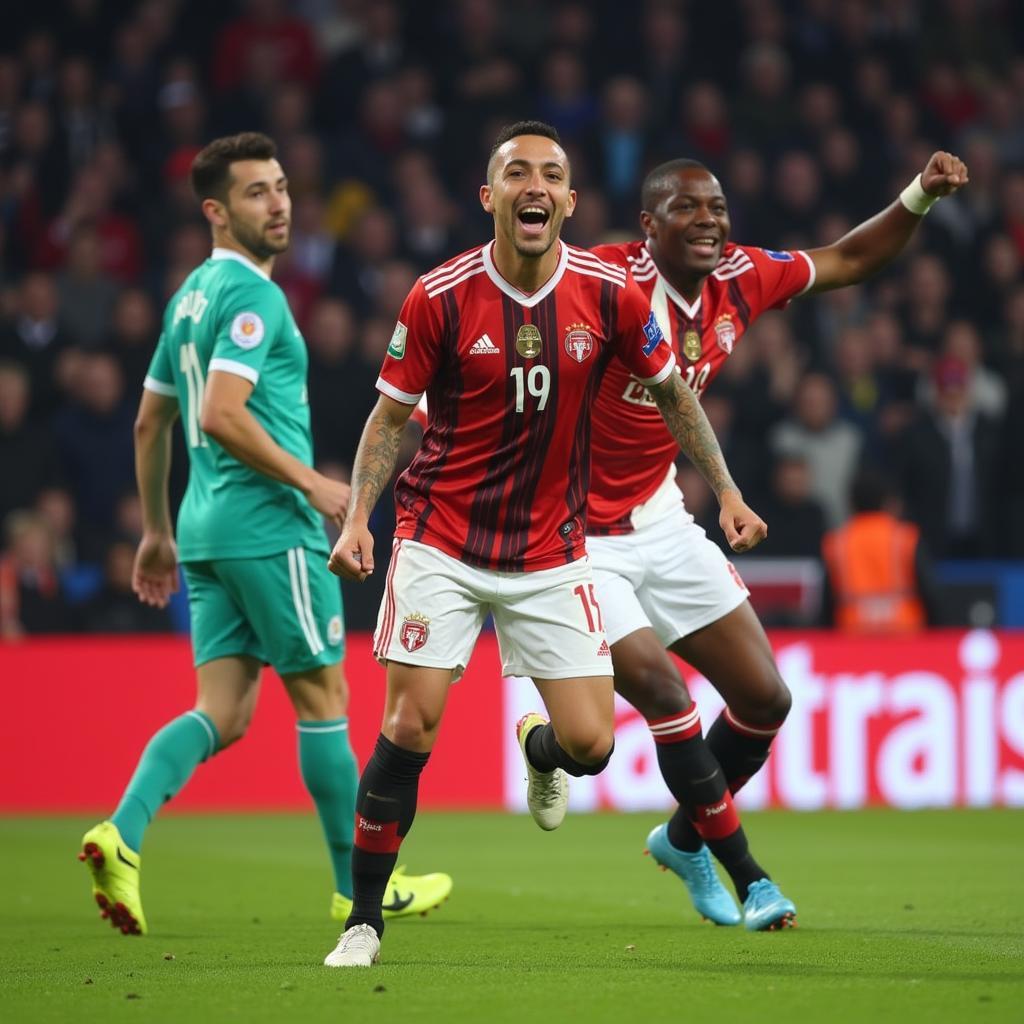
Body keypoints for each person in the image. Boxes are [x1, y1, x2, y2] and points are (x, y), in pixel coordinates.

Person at [320, 121, 765, 968]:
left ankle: (539, 750)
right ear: (489, 198)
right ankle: (364, 922)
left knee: (593, 746)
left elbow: (674, 397)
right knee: (411, 724)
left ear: (568, 201)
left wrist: (731, 491)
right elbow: (387, 423)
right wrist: (355, 521)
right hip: (441, 536)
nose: (535, 185)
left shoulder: (608, 294)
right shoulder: (441, 295)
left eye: (551, 175)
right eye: (516, 172)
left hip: (553, 549)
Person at [78, 132, 451, 937]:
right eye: (256, 192)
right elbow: (218, 412)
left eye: (282, 187)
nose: (278, 203)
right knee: (324, 699)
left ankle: (122, 835)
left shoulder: (187, 298)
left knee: (224, 710)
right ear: (216, 210)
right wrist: (315, 483)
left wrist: (154, 531)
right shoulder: (255, 298)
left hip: (204, 529)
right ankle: (360, 890)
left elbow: (153, 420)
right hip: (268, 526)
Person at [588, 150, 968, 929]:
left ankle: (682, 838)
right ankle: (749, 875)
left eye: (717, 208)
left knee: (766, 698)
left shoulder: (741, 276)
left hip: (659, 515)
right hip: (572, 536)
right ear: (647, 226)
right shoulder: (598, 280)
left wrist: (920, 193)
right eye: (687, 210)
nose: (709, 223)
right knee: (664, 693)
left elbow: (854, 256)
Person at [821, 469, 944, 632]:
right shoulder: (905, 539)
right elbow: (930, 595)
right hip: (905, 635)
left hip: (852, 637)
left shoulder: (837, 544)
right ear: (887, 502)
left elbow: (827, 604)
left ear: (851, 504)